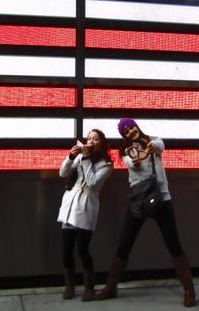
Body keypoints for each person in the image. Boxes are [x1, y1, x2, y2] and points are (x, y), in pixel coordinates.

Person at [96, 118, 196, 307]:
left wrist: (150, 145)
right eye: (126, 130)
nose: (131, 131)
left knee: (174, 245)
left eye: (132, 127)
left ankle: (189, 290)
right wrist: (134, 159)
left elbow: (160, 145)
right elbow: (131, 163)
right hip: (139, 201)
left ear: (137, 126)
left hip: (161, 198)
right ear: (123, 135)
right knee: (124, 244)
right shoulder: (125, 151)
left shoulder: (153, 140)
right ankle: (111, 287)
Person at [58, 128, 113, 301]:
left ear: (102, 143)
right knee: (66, 250)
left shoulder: (107, 164)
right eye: (89, 138)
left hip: (87, 207)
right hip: (70, 205)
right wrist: (71, 157)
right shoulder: (81, 157)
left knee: (83, 249)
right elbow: (63, 173)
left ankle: (89, 287)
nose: (91, 141)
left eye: (95, 139)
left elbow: (92, 184)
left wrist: (87, 159)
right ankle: (70, 286)